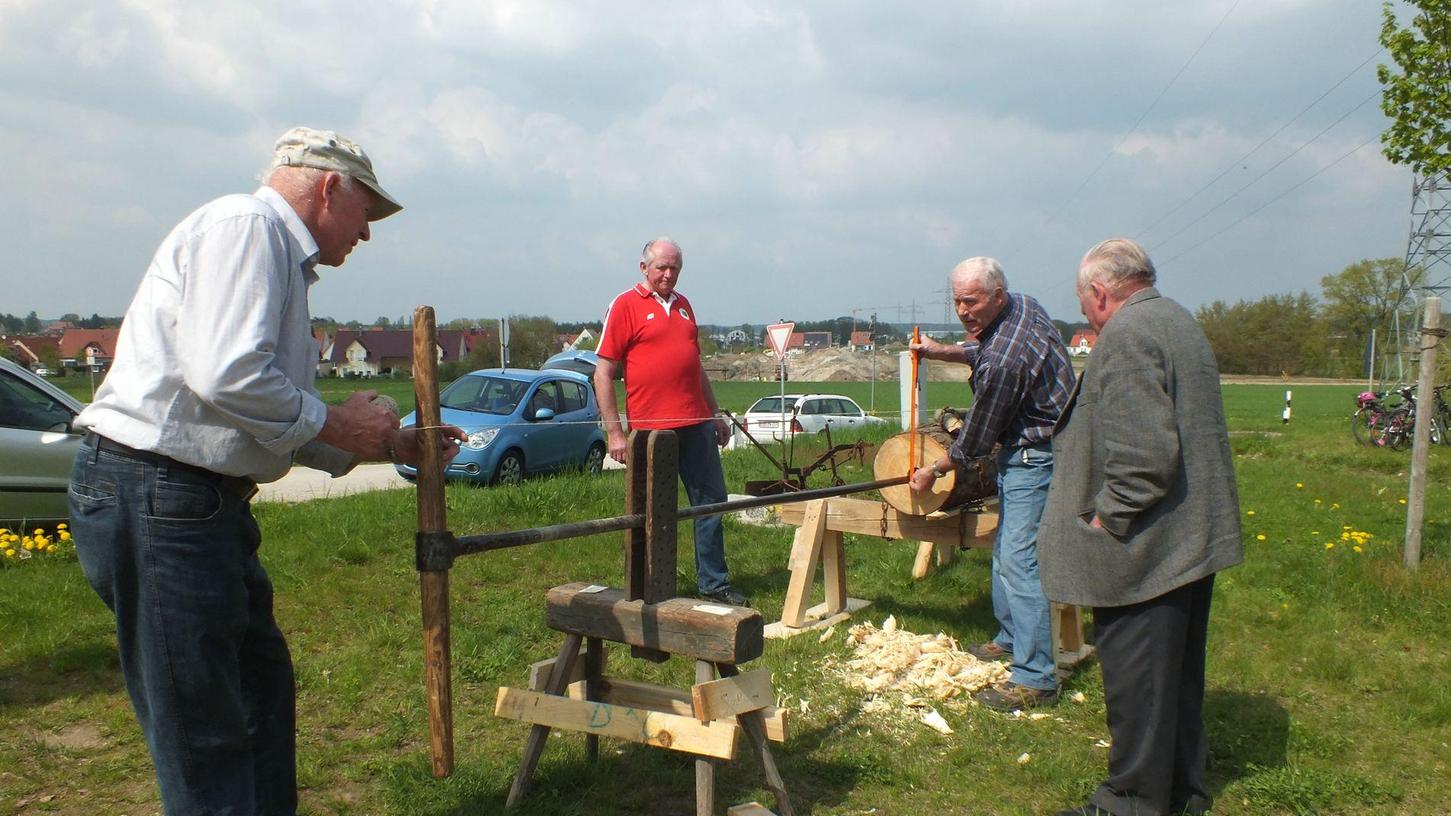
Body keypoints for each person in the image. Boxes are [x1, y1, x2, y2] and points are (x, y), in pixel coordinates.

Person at [69, 126, 466, 816]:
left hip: (191, 501)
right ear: (329, 186)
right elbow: (228, 375)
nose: (366, 235)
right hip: (158, 493)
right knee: (205, 732)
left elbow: (258, 407)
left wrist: (382, 445)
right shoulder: (247, 227)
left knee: (257, 695)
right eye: (366, 214)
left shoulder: (272, 251)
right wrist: (339, 423)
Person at [1039, 238, 1243, 816]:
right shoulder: (1177, 318)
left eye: (1085, 307)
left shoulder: (1127, 334)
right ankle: (1181, 792)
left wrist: (1109, 518)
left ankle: (1129, 802)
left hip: (1147, 547)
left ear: (1101, 293)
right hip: (1188, 539)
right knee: (1174, 682)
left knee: (1138, 685)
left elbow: (1145, 455)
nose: (1088, 317)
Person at [908, 257, 1074, 711]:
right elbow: (984, 346)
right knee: (1007, 550)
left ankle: (1037, 678)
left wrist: (934, 470)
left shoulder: (1004, 361)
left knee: (1020, 562)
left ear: (997, 295)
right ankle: (1009, 638)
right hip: (1029, 448)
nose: (963, 310)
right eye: (957, 300)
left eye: (972, 301)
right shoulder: (1023, 306)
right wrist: (942, 351)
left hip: (1030, 456)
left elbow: (977, 435)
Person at [592, 237, 745, 606]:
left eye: (675, 267)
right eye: (661, 267)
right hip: (652, 431)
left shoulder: (684, 306)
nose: (668, 274)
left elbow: (694, 366)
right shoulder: (625, 305)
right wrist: (615, 432)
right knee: (651, 511)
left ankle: (714, 583)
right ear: (643, 267)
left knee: (710, 503)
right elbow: (603, 373)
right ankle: (648, 587)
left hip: (696, 425)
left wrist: (714, 414)